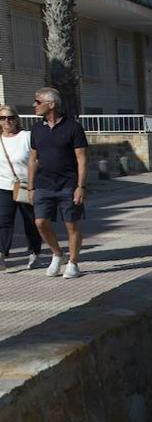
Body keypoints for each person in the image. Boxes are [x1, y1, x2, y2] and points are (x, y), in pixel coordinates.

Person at [29, 87, 88, 279]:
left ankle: (73, 263)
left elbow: (82, 159)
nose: (34, 105)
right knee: (40, 222)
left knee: (71, 225)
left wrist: (80, 186)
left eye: (38, 102)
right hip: (44, 184)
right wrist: (30, 187)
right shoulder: (37, 129)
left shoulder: (73, 127)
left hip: (68, 184)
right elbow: (33, 159)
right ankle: (57, 254)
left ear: (51, 104)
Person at [0, 105, 41, 271]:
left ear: (17, 119)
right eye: (2, 118)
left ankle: (34, 252)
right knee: (3, 221)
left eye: (10, 117)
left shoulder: (27, 137)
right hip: (3, 186)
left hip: (26, 185)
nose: (7, 121)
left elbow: (37, 160)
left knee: (31, 222)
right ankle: (1, 254)